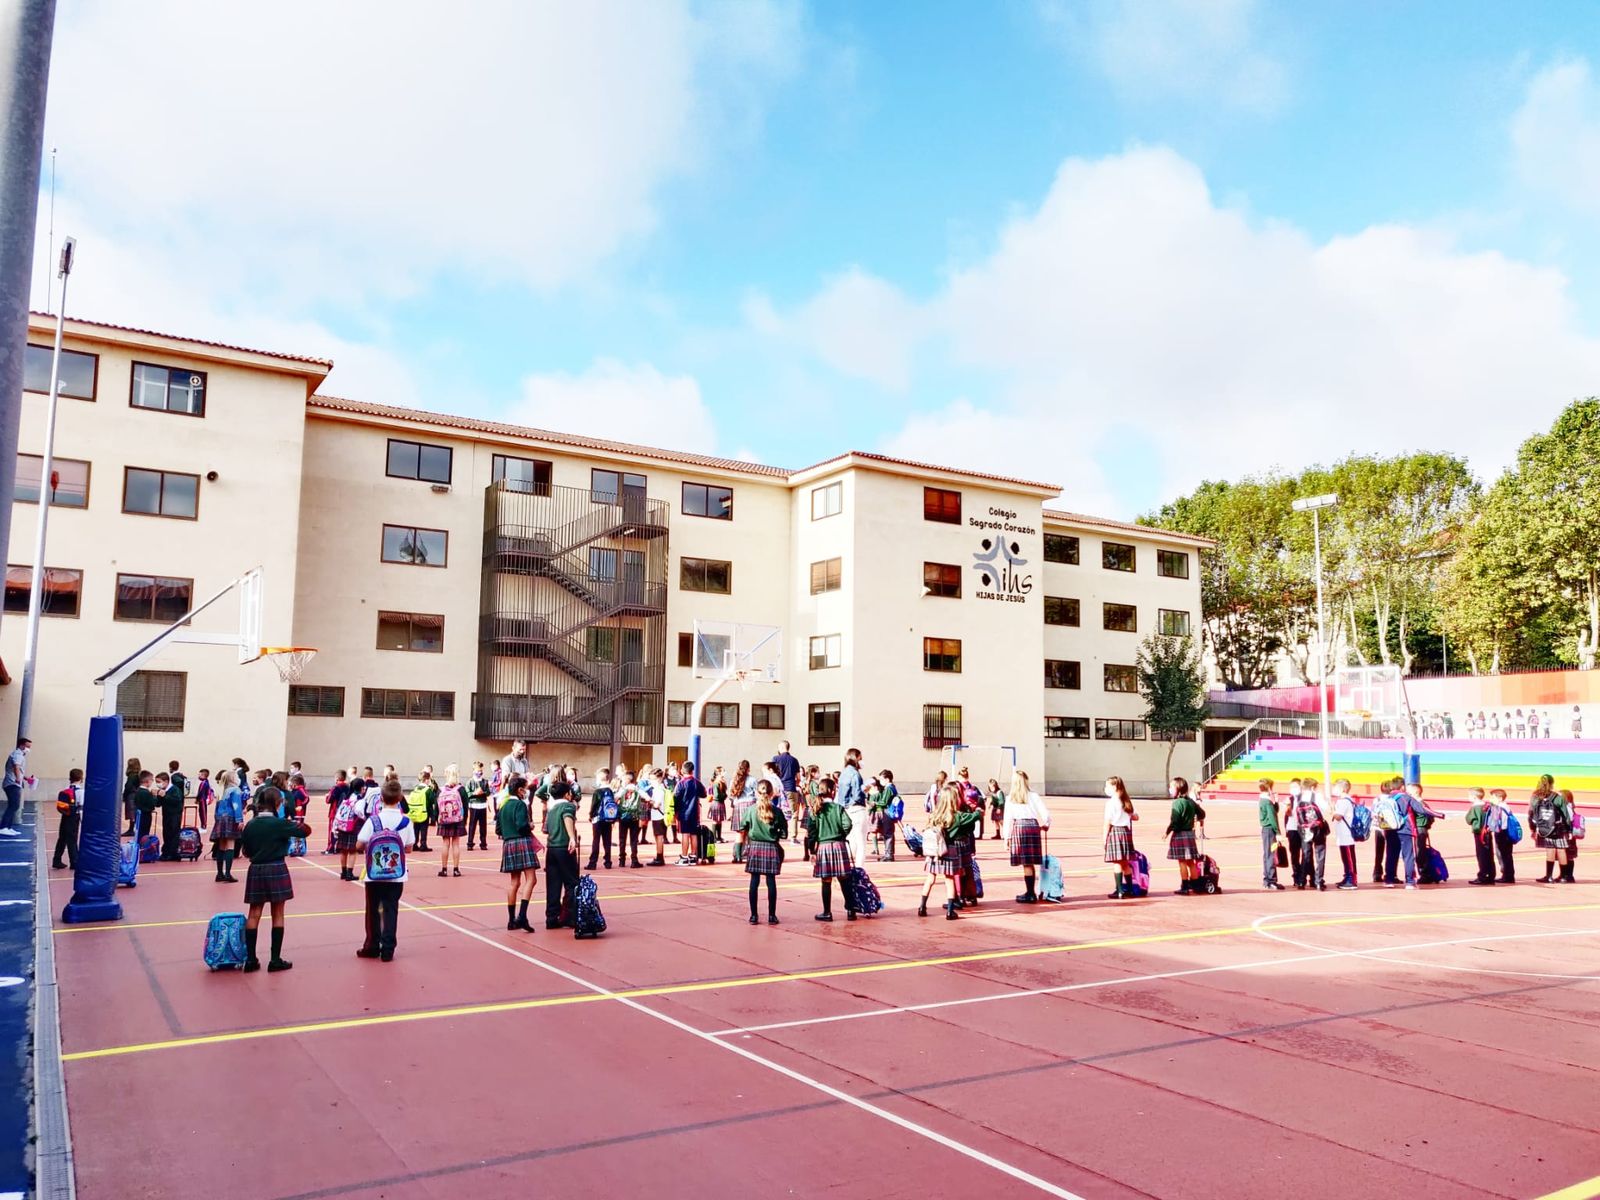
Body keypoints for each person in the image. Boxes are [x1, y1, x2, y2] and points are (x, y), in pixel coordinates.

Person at [238, 788, 309, 973]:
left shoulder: (251, 824)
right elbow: (304, 832)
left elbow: (245, 851)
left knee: (254, 912)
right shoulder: (279, 823)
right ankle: (275, 959)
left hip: (256, 868)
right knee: (277, 912)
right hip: (276, 866)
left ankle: (251, 960)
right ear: (277, 804)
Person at [356, 780, 414, 961]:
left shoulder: (373, 820)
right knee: (391, 909)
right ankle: (388, 948)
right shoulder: (406, 821)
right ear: (400, 798)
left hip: (374, 874)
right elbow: (409, 848)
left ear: (381, 798)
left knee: (373, 908)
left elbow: (359, 844)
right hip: (396, 875)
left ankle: (372, 945)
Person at [740, 780, 787, 925]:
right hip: (771, 846)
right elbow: (784, 833)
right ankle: (772, 916)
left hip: (755, 846)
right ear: (772, 793)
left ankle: (754, 916)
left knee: (754, 881)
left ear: (756, 792)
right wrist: (777, 833)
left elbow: (743, 826)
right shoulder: (777, 811)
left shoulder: (751, 809)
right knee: (771, 881)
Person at [497, 775, 540, 932]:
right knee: (531, 879)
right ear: (520, 790)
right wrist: (530, 826)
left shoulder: (503, 805)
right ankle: (522, 915)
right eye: (526, 789)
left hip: (508, 844)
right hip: (522, 842)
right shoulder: (520, 805)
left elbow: (498, 829)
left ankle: (511, 920)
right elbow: (522, 826)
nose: (527, 792)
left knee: (514, 882)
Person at [809, 782, 857, 921]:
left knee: (826, 881)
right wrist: (841, 835)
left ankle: (827, 912)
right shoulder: (838, 808)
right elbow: (847, 824)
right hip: (839, 845)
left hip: (823, 847)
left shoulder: (815, 809)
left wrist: (812, 850)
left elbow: (812, 833)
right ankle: (850, 910)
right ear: (831, 791)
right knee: (844, 879)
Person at [1003, 770, 1051, 902]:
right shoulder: (1033, 796)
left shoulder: (1010, 798)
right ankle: (1031, 892)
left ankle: (1030, 893)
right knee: (1030, 862)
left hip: (1020, 827)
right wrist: (1046, 824)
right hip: (1033, 826)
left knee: (1026, 863)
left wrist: (1006, 838)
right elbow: (1045, 814)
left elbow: (1007, 819)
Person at [918, 784, 964, 919]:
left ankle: (922, 906)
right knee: (949, 879)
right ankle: (950, 911)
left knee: (930, 878)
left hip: (934, 852)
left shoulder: (934, 816)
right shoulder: (955, 817)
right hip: (948, 850)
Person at [543, 779, 580, 928]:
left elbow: (546, 829)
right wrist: (572, 837)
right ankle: (569, 916)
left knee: (553, 883)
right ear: (567, 794)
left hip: (551, 848)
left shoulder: (551, 809)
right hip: (563, 846)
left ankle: (551, 917)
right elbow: (567, 818)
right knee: (571, 882)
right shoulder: (567, 806)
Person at [1164, 776, 1205, 894]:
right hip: (1190, 834)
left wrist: (1167, 832)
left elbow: (1175, 821)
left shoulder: (1177, 803)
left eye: (1171, 787)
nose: (1170, 789)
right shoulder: (1190, 801)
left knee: (1182, 861)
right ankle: (1196, 885)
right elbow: (1202, 814)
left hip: (1180, 834)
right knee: (1190, 861)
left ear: (1178, 788)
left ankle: (1185, 886)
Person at [1530, 776, 1574, 884]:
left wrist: (1533, 828)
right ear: (1552, 783)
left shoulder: (1535, 796)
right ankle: (1564, 876)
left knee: (1550, 849)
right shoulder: (1557, 797)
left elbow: (1532, 814)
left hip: (1544, 827)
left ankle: (1548, 876)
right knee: (1561, 849)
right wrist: (1569, 829)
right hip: (1558, 827)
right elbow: (1565, 814)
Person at [1103, 776, 1139, 899]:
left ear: (1114, 787)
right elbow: (1135, 816)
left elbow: (1107, 822)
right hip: (1126, 832)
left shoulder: (1111, 803)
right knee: (1125, 863)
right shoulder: (1126, 800)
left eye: (1107, 786)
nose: (1106, 789)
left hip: (1115, 831)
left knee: (1117, 863)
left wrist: (1104, 838)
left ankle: (1119, 890)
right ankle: (1129, 889)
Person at [210, 769, 245, 882]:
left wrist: (217, 819)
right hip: (230, 818)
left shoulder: (221, 791)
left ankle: (219, 873)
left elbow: (216, 808)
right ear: (233, 779)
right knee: (230, 846)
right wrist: (239, 819)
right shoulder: (235, 790)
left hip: (220, 819)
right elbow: (236, 806)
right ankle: (228, 874)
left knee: (221, 846)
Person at [1295, 778, 1329, 891]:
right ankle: (1318, 881)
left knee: (1306, 854)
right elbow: (1327, 808)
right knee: (1320, 854)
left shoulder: (1298, 797)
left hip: (1304, 829)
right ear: (1313, 787)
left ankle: (1301, 881)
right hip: (1317, 828)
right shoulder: (1317, 796)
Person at [435, 765, 467, 877]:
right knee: (456, 843)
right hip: (457, 820)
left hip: (444, 820)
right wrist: (464, 820)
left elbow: (436, 807)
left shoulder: (440, 790)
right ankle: (456, 869)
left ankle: (444, 869)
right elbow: (465, 806)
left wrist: (437, 819)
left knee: (445, 843)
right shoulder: (461, 789)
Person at [838, 749, 868, 870]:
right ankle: (859, 870)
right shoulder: (855, 774)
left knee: (851, 840)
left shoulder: (844, 773)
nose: (861, 761)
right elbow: (857, 795)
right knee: (861, 843)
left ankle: (846, 867)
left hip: (847, 810)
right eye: (860, 758)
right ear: (855, 758)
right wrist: (865, 791)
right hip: (857, 809)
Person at [51, 768, 84, 871]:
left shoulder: (65, 791)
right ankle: (74, 862)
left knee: (62, 838)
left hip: (65, 816)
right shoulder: (81, 792)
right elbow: (82, 807)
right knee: (72, 840)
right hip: (75, 817)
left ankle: (56, 860)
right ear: (81, 778)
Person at [673, 762, 704, 866]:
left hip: (684, 813)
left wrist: (675, 812)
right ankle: (693, 856)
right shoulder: (696, 782)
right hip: (695, 812)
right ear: (692, 771)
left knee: (685, 834)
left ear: (682, 770)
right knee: (694, 834)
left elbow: (676, 798)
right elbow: (704, 794)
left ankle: (684, 857)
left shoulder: (681, 783)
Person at [1465, 787, 1497, 886]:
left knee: (1481, 854)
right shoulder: (1488, 806)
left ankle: (1482, 875)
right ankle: (1491, 875)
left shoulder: (1474, 808)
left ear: (1474, 797)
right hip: (1488, 831)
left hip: (1479, 833)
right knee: (1489, 854)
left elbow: (1468, 820)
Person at [586, 767, 616, 870]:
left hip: (598, 818)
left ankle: (593, 862)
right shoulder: (610, 791)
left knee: (596, 840)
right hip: (608, 818)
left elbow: (594, 805)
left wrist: (591, 815)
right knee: (607, 840)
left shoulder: (597, 792)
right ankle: (608, 861)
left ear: (599, 779)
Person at [1330, 778, 1359, 889]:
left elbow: (1338, 816)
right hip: (1344, 834)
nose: (1333, 789)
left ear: (1342, 789)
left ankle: (1351, 879)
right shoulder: (1347, 800)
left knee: (1348, 857)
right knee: (1346, 857)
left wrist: (1332, 809)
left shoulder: (1344, 801)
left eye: (1335, 787)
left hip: (1346, 834)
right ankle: (1347, 876)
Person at [1485, 788, 1516, 883]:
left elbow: (1496, 822)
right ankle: (1508, 875)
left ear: (1500, 798)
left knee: (1502, 855)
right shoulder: (1506, 806)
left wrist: (1489, 828)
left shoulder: (1498, 807)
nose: (1491, 799)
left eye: (1493, 797)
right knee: (1507, 855)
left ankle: (1507, 875)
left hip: (1502, 833)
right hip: (1506, 833)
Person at [0, 736, 29, 838]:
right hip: (12, 783)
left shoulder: (19, 755)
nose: (28, 749)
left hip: (13, 783)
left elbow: (19, 770)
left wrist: (25, 778)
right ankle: (3, 827)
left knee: (14, 805)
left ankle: (8, 827)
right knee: (13, 805)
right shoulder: (18, 755)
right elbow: (16, 767)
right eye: (27, 746)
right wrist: (18, 779)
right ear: (22, 745)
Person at [1258, 778, 1283, 890]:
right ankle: (1271, 880)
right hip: (1269, 830)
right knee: (1271, 855)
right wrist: (1278, 832)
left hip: (1266, 830)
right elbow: (1272, 818)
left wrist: (1276, 801)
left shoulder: (1264, 800)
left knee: (1267, 854)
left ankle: (1267, 879)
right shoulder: (1267, 802)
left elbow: (1273, 811)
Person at [617, 770, 644, 868]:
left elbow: (615, 797)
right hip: (634, 817)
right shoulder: (637, 789)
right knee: (633, 839)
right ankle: (634, 859)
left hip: (623, 816)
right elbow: (646, 797)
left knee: (622, 839)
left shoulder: (622, 789)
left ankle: (622, 860)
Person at [157, 770, 185, 860]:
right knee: (166, 833)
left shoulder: (174, 789)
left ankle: (172, 853)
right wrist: (157, 796)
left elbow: (176, 801)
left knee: (173, 833)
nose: (158, 784)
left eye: (159, 782)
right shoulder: (163, 790)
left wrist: (165, 796)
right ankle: (166, 852)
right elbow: (158, 803)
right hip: (166, 814)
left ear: (166, 781)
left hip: (174, 815)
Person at [876, 769, 902, 862]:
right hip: (889, 813)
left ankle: (889, 854)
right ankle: (888, 853)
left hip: (887, 812)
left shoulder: (889, 789)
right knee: (888, 833)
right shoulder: (892, 788)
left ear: (887, 779)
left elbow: (883, 802)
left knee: (888, 834)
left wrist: (875, 803)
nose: (880, 781)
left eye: (881, 779)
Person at [465, 762, 492, 851]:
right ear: (473, 771)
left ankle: (483, 843)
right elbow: (467, 793)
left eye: (481, 771)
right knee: (472, 826)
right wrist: (474, 793)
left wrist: (483, 792)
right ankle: (470, 843)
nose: (479, 772)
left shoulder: (485, 781)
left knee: (483, 826)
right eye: (477, 771)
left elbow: (488, 792)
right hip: (473, 806)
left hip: (483, 806)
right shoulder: (470, 782)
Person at [772, 740, 802, 821]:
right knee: (794, 813)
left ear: (781, 747)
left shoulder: (775, 759)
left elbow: (772, 775)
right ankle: (793, 832)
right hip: (791, 788)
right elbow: (798, 777)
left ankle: (780, 831)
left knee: (777, 811)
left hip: (778, 790)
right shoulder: (794, 760)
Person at [407, 771, 432, 852]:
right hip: (424, 812)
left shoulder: (416, 788)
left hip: (415, 812)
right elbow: (431, 801)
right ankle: (423, 844)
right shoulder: (427, 790)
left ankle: (414, 844)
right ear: (427, 780)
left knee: (416, 829)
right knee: (424, 829)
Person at [121, 756, 142, 835]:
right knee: (134, 813)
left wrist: (124, 795)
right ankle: (133, 829)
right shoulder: (138, 775)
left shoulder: (132, 775)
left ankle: (131, 830)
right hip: (135, 794)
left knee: (132, 813)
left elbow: (128, 786)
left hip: (131, 796)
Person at [707, 766, 728, 843]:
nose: (724, 773)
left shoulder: (721, 782)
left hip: (720, 803)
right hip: (717, 803)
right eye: (723, 771)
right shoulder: (716, 783)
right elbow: (716, 795)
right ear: (719, 773)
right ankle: (714, 838)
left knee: (720, 821)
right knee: (715, 821)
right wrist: (725, 795)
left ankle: (719, 837)